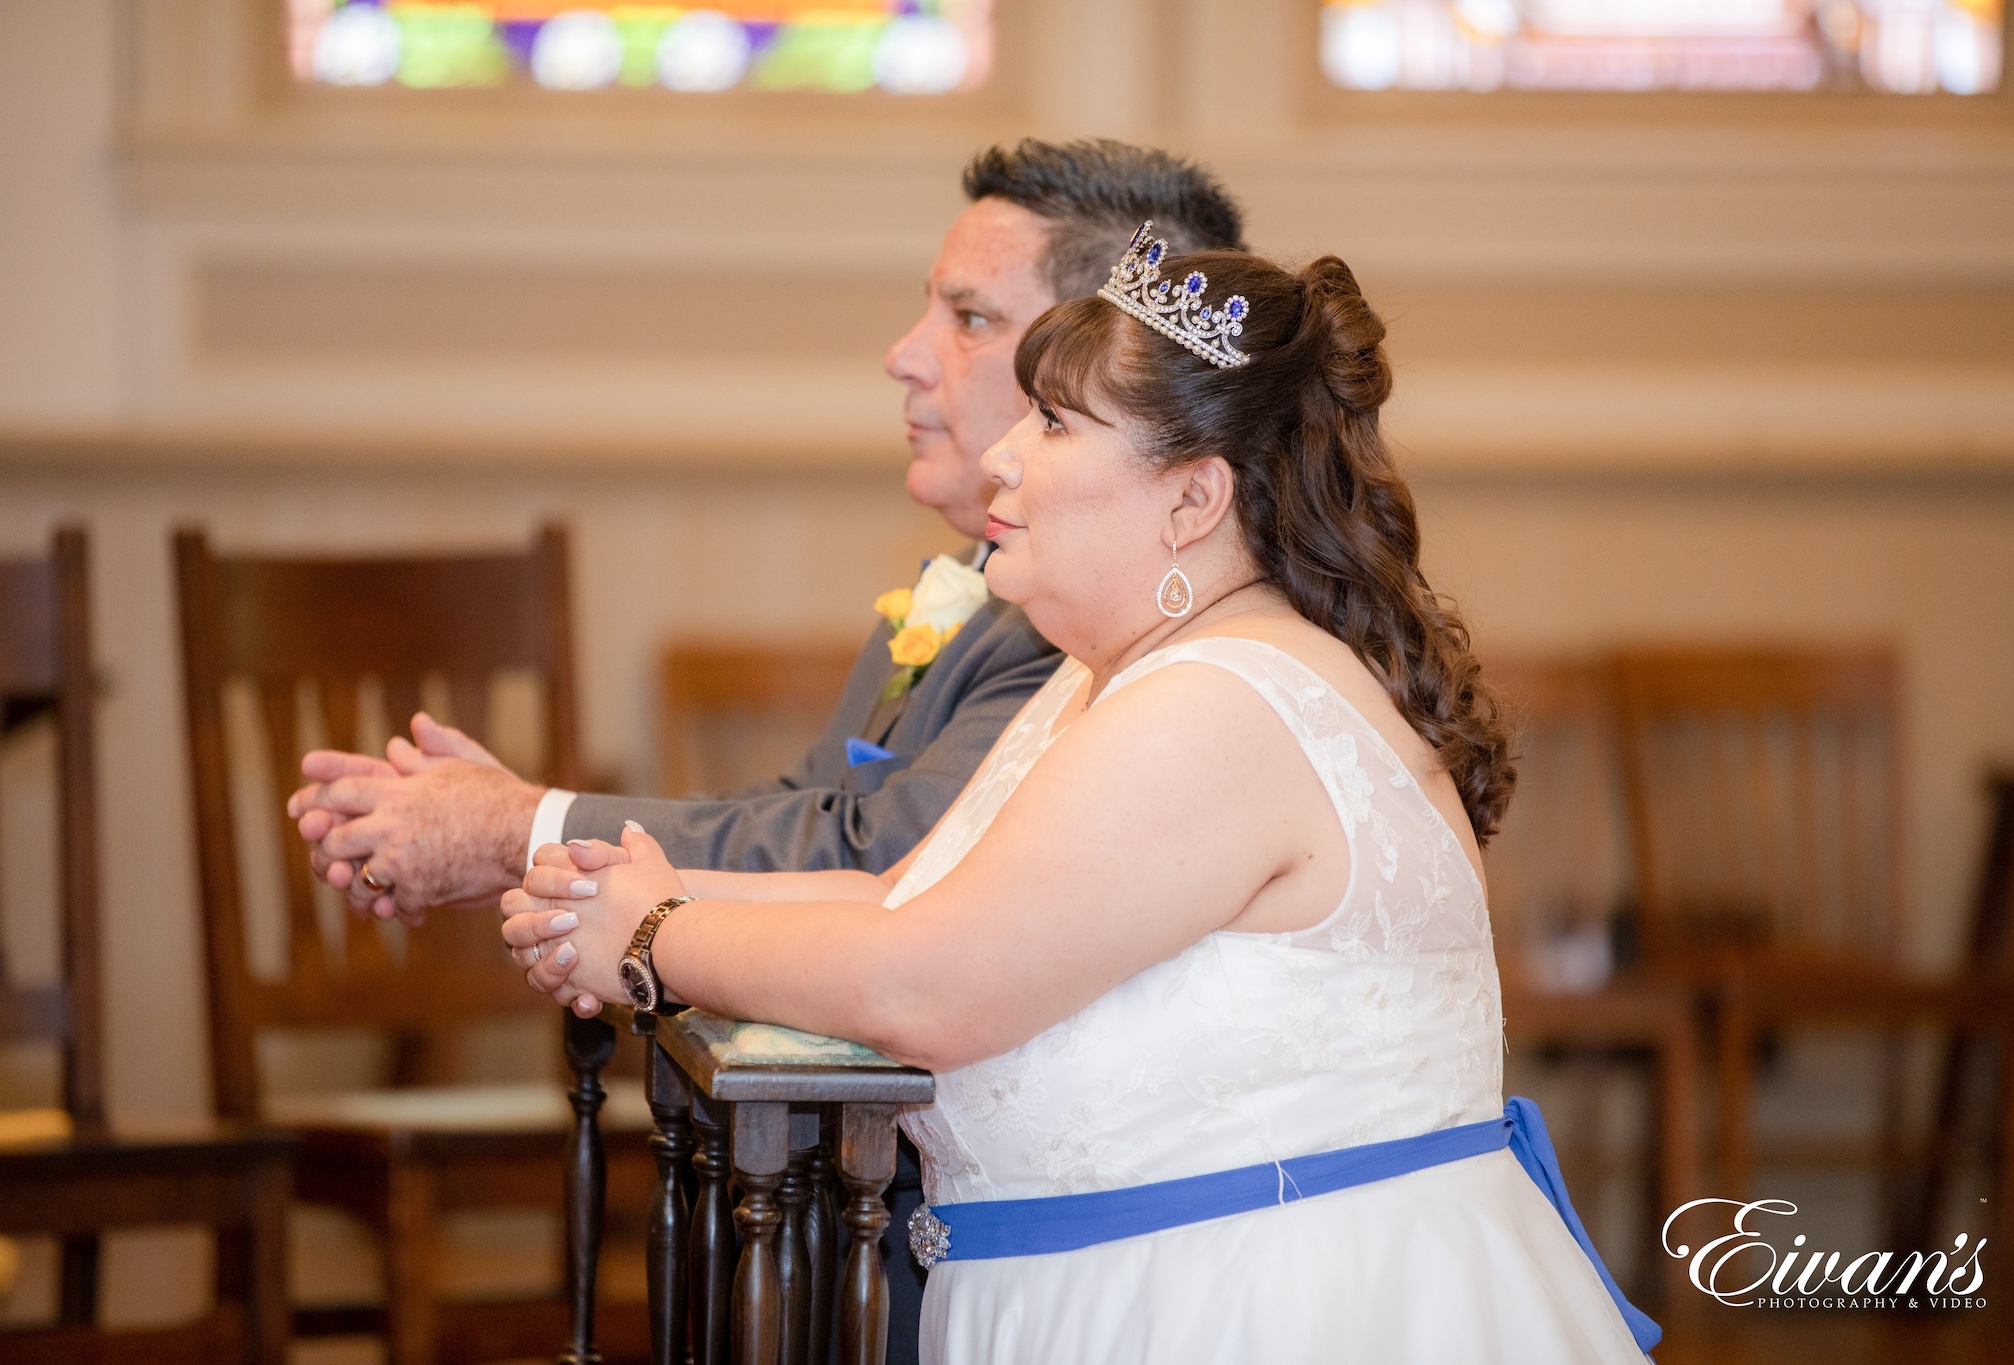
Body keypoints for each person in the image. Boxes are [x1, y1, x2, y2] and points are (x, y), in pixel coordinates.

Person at [500, 230, 1661, 1363]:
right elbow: (902, 899)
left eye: (1053, 423)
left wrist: (653, 939)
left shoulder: (1221, 699)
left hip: (1255, 1310)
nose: (1004, 456)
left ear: (1191, 500)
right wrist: (614, 891)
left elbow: (927, 984)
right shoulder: (1113, 678)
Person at [284, 139, 1249, 1363]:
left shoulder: (1110, 630)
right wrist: (550, 847)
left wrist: (535, 836)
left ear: (1111, 364)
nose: (904, 355)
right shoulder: (975, 582)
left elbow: (900, 865)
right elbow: (815, 813)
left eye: (964, 318)